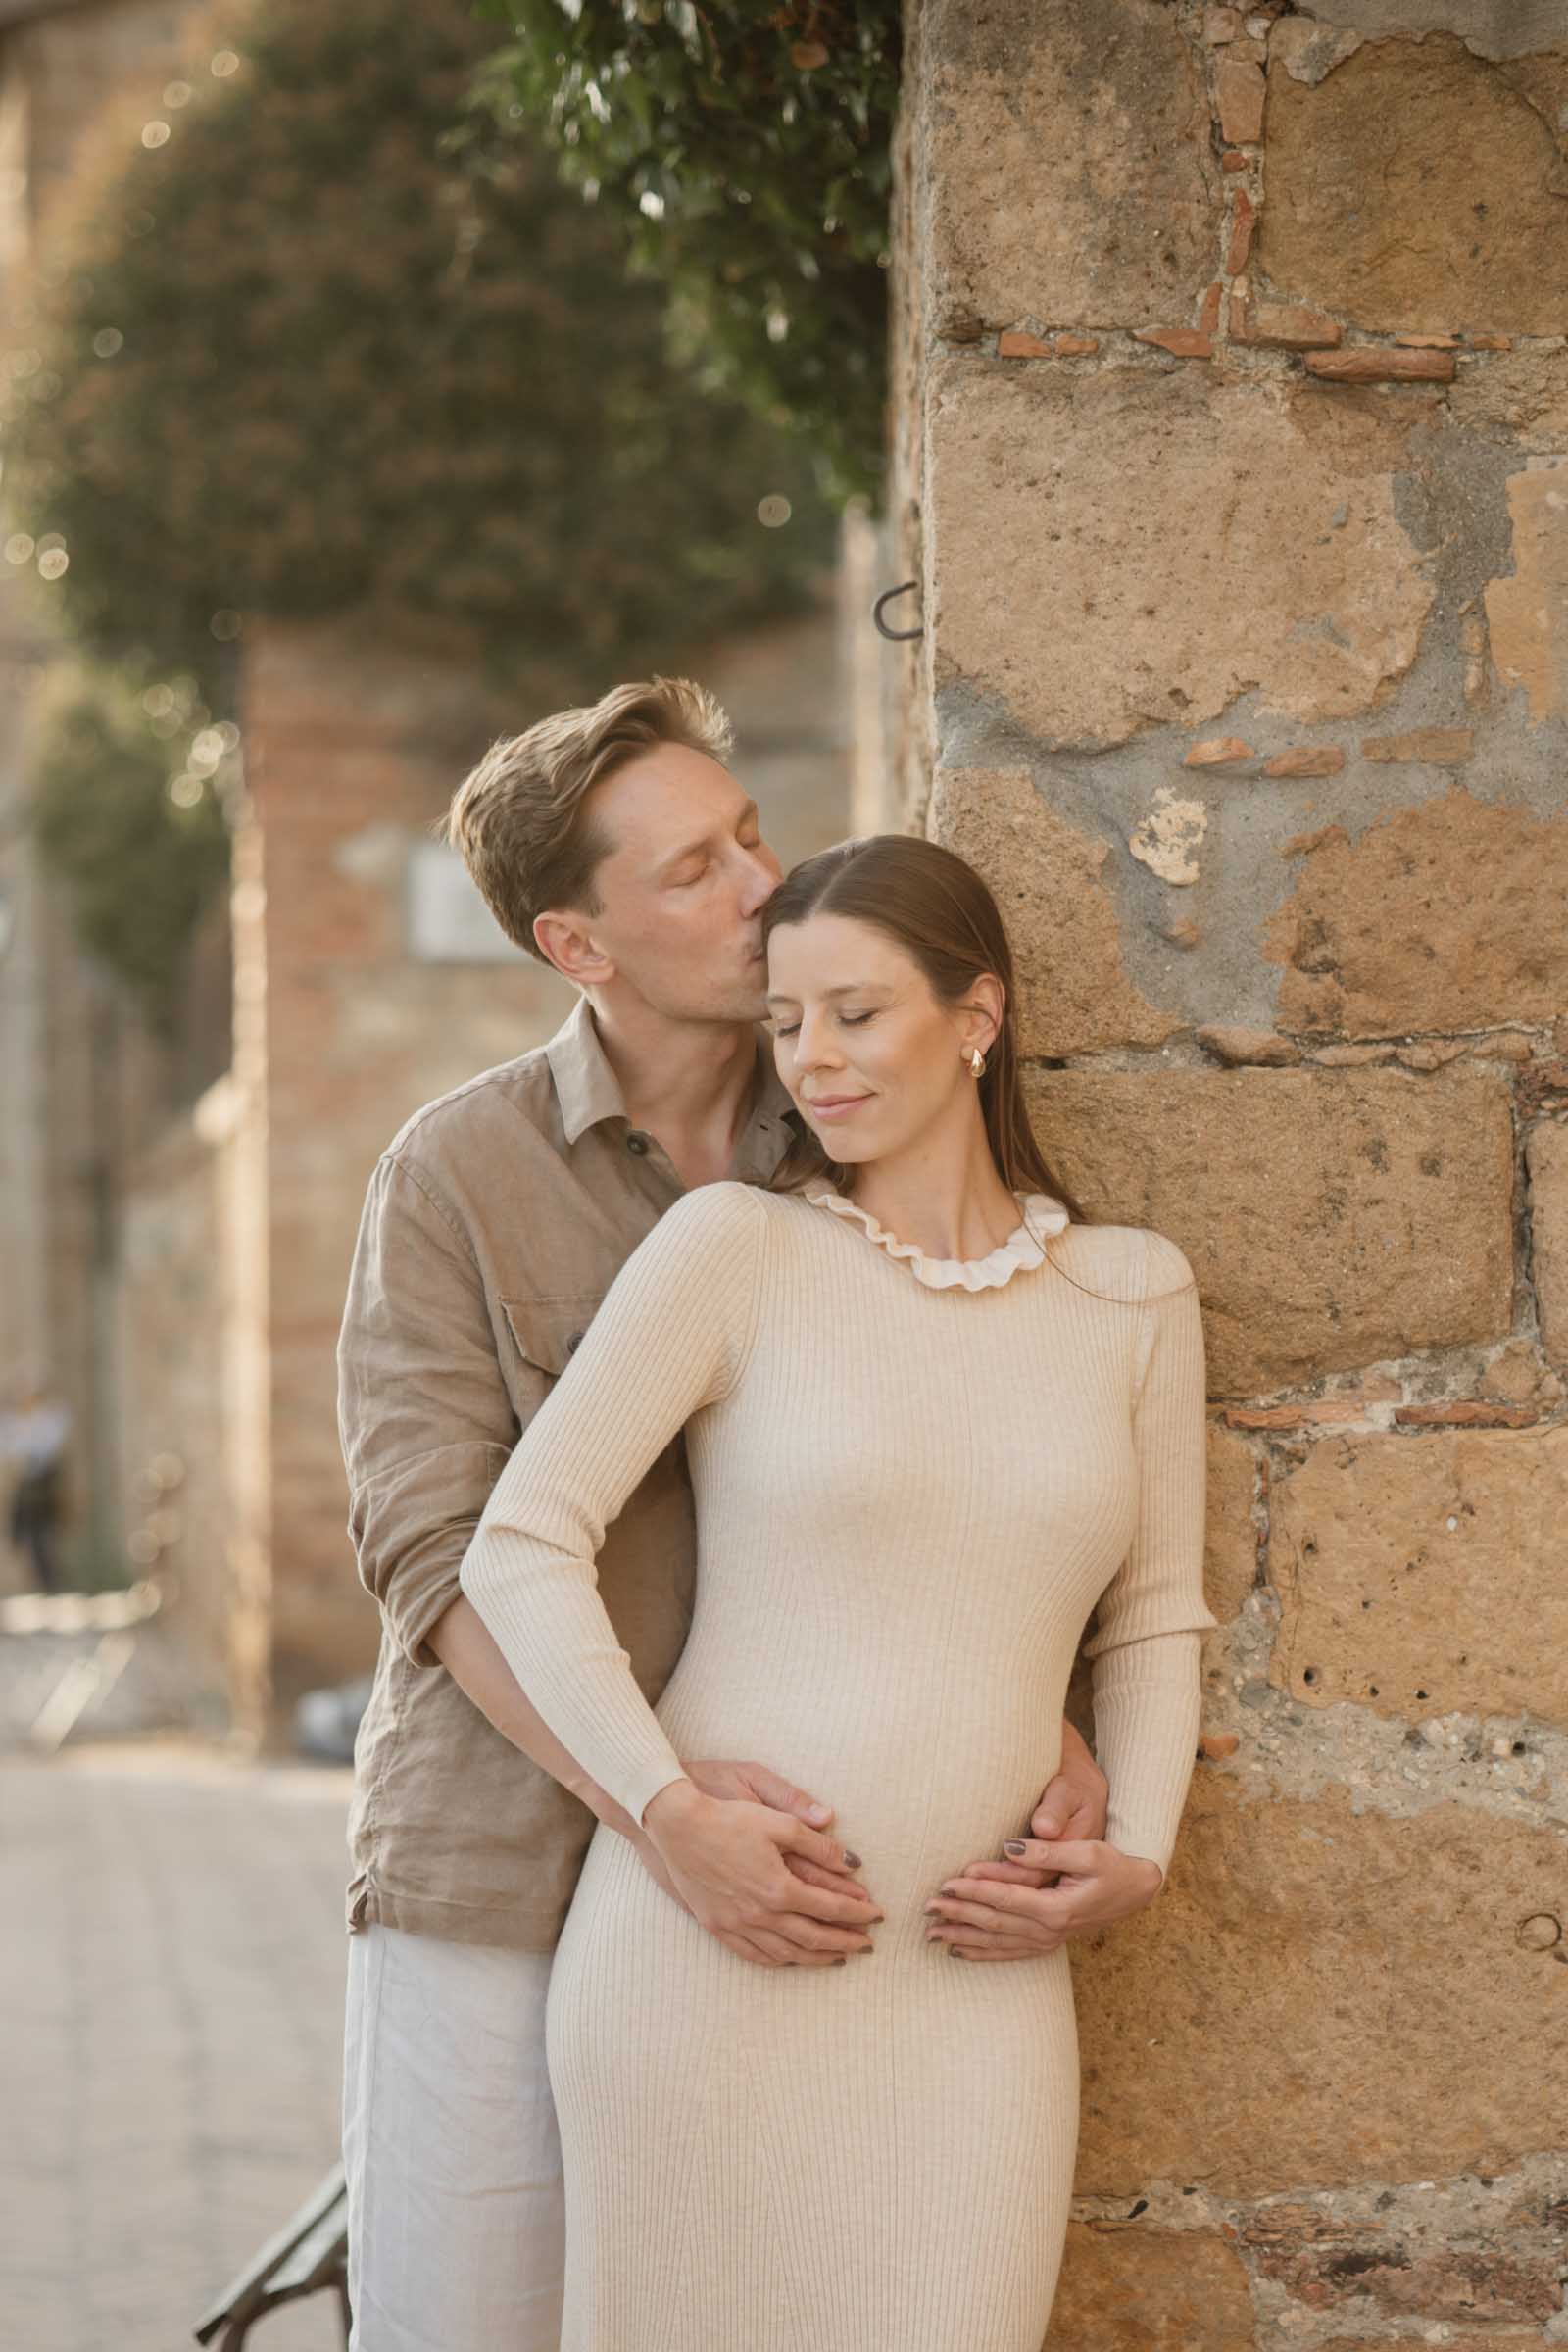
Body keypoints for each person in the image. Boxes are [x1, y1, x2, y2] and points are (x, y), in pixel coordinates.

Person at [335, 679, 1111, 2352]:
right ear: (578, 945)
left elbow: (958, 1457)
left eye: (750, 835)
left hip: (802, 1885)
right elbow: (437, 1553)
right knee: (471, 2325)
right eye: (692, 870)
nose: (763, 887)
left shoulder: (847, 1132)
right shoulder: (455, 1172)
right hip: (509, 1853)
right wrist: (658, 1803)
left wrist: (1029, 1708)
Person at [459, 828, 1220, 2351]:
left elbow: (1151, 1615)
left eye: (856, 1012)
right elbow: (519, 1540)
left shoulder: (1134, 1292)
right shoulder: (735, 1248)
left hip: (977, 1988)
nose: (813, 1059)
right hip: (702, 1964)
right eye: (787, 1020)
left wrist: (1138, 1842)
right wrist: (662, 1805)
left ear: (977, 1018)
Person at [2, 1377, 71, 1593]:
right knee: (23, 1535)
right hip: (25, 1487)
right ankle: (31, 1581)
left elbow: (46, 1449)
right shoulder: (16, 1421)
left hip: (43, 1486)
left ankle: (48, 1583)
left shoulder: (50, 1418)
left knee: (44, 1535)